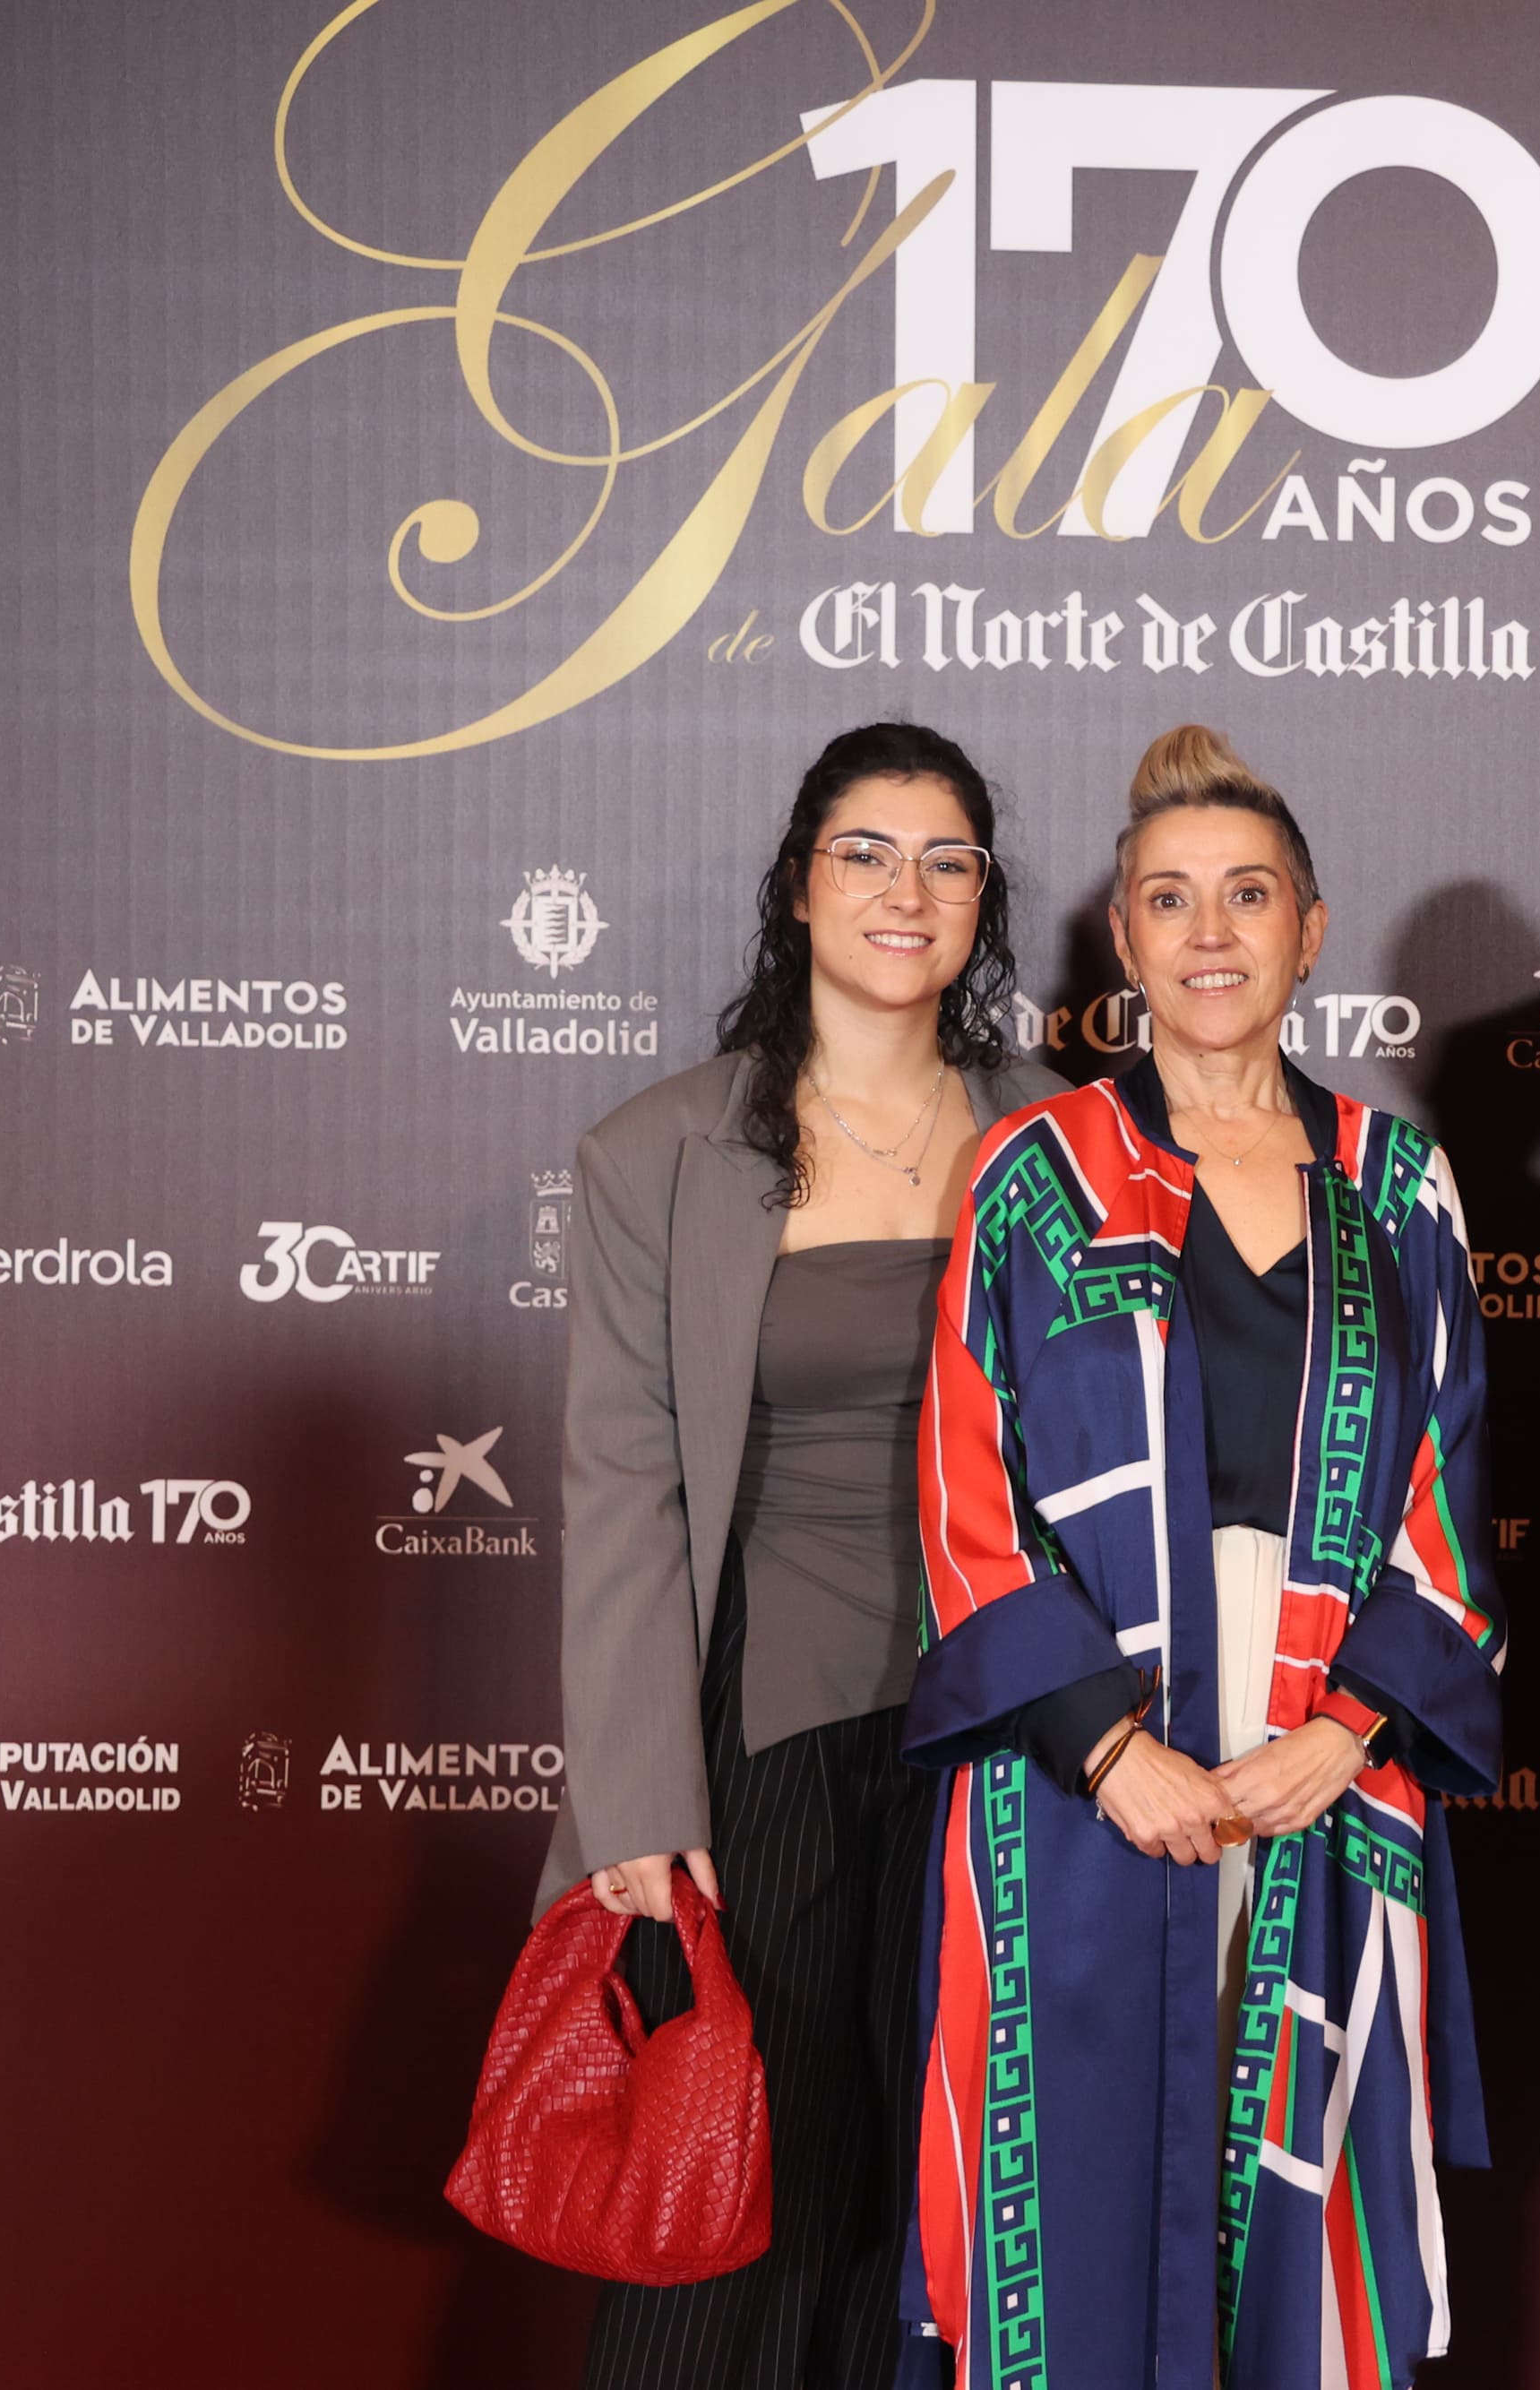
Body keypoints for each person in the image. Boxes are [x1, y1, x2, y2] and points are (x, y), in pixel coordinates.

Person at [899, 726, 1503, 2390]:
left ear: (1313, 928)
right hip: (1088, 1756)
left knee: (1306, 2215)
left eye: (1250, 896)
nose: (1213, 932)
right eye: (1172, 901)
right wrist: (1105, 1743)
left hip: (1328, 1751)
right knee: (1069, 2201)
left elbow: (1449, 1497)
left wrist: (1350, 1729)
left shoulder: (1401, 1183)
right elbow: (966, 1497)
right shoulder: (1036, 1177)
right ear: (1124, 943)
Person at [546, 720, 1064, 2389]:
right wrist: (636, 1809)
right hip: (765, 1739)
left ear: (985, 903)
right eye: (865, 852)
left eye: (948, 860)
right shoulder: (659, 1155)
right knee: (753, 2199)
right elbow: (624, 1488)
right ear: (795, 887)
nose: (906, 892)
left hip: (1018, 1738)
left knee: (956, 2209)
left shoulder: (1064, 1147)